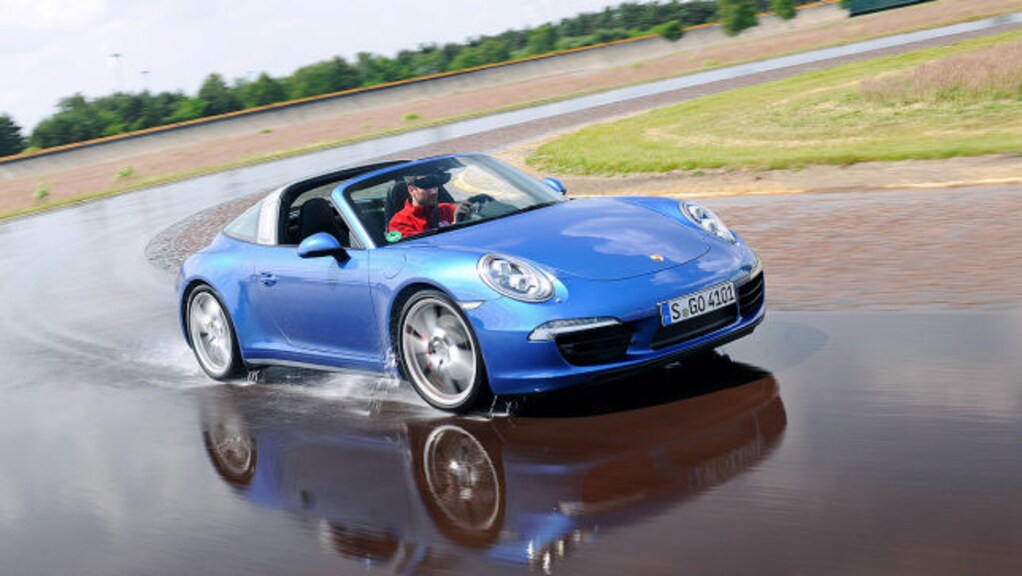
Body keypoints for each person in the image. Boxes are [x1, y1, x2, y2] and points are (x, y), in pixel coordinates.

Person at [387, 171, 461, 238]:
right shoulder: (399, 222)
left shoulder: (448, 209)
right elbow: (419, 247)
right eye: (426, 187)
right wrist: (453, 228)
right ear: (411, 190)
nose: (434, 192)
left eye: (435, 186)